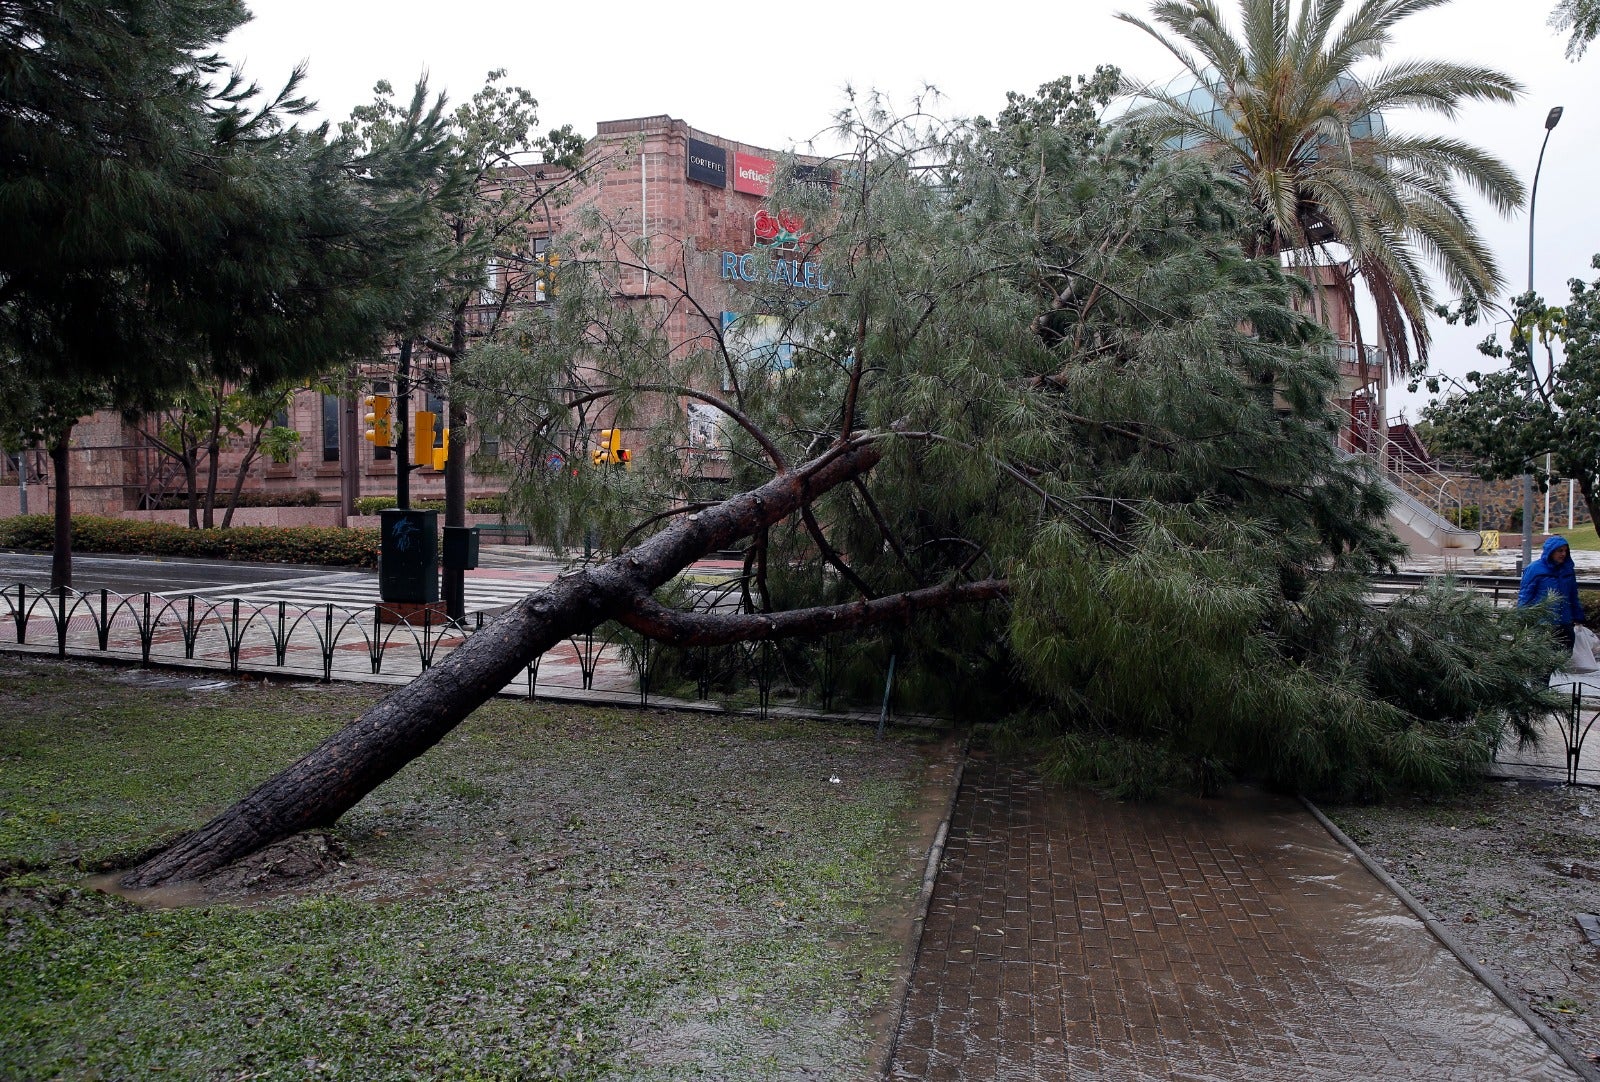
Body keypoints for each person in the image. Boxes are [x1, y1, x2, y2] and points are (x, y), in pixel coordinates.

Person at [1517, 535, 1586, 651]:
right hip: (1543, 623)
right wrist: (1521, 618)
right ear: (1551, 552)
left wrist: (1578, 617)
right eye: (1560, 551)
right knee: (1543, 658)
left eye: (1565, 551)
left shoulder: (1568, 569)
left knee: (1565, 657)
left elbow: (1573, 596)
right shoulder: (1534, 569)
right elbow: (1525, 596)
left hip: (1565, 622)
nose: (1563, 554)